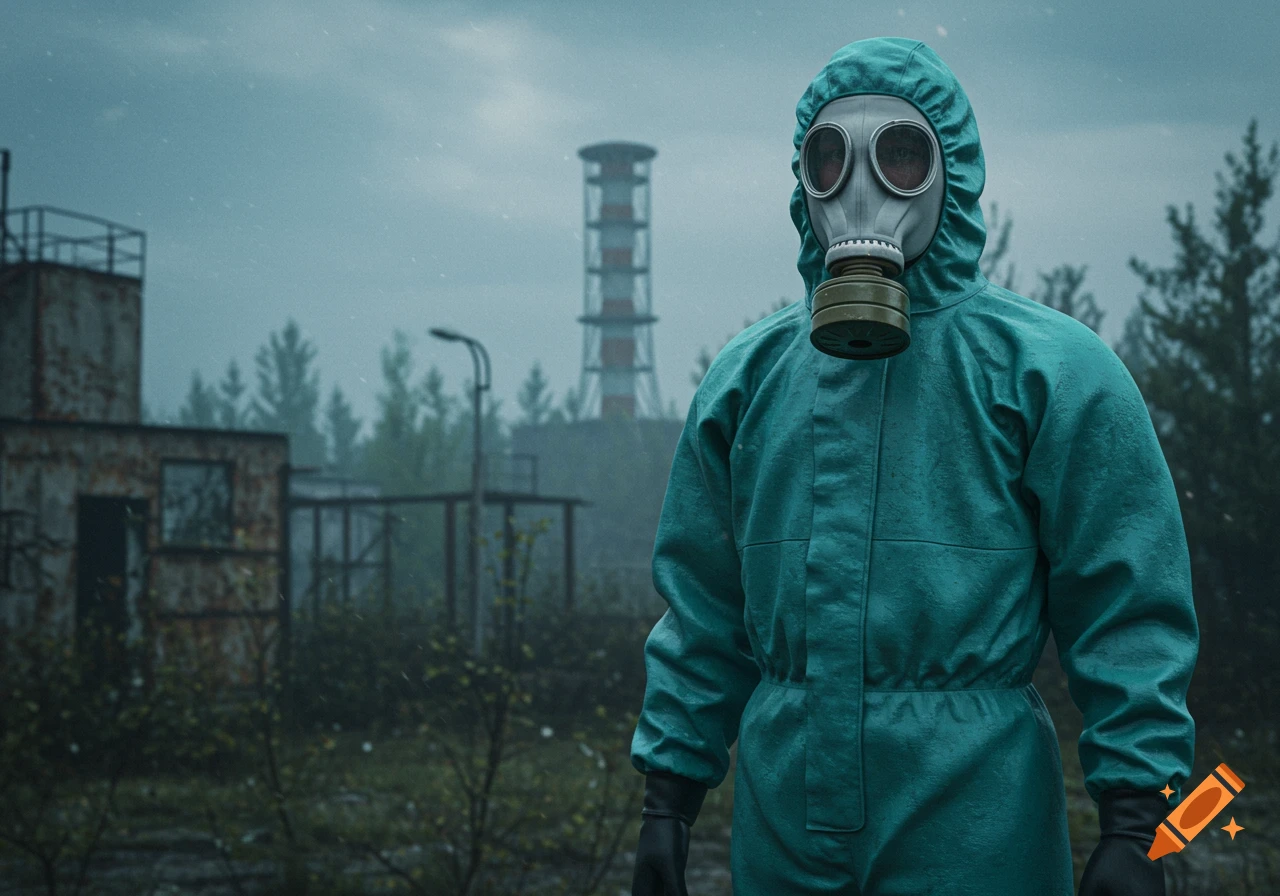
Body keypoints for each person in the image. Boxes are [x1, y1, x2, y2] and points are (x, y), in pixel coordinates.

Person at [629, 37, 1199, 896]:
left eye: (900, 154)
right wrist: (666, 802)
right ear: (802, 183)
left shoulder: (1050, 372)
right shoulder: (749, 382)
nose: (861, 190)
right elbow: (704, 612)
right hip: (783, 814)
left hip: (976, 816)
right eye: (830, 158)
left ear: (952, 172)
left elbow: (1129, 610)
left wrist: (1137, 824)